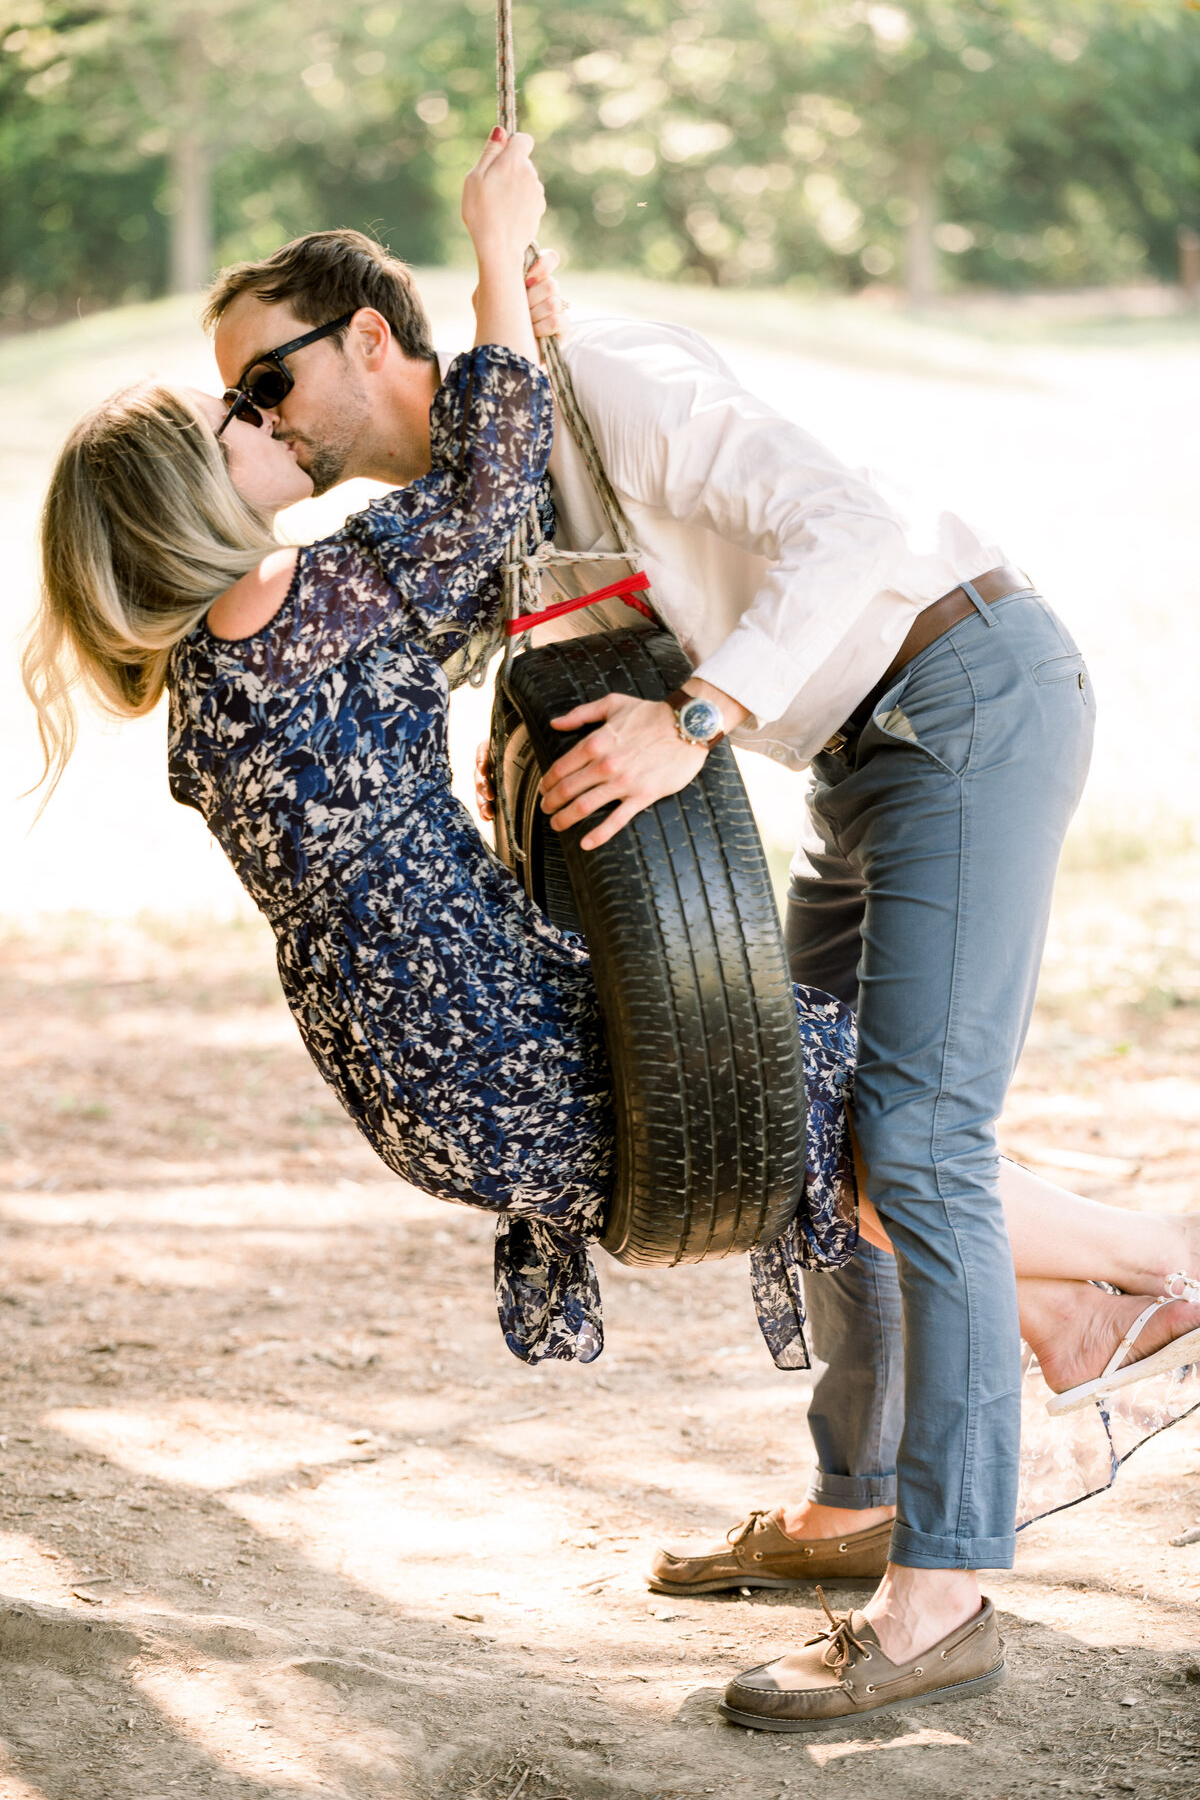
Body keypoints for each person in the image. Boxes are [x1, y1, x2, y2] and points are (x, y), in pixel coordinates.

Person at [25, 152, 1200, 1729]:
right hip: (823, 775)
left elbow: (827, 523)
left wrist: (695, 707)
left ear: (369, 342)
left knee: (895, 1141)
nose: (259, 413)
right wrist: (509, 303)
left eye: (263, 377)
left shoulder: (578, 400)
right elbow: (506, 503)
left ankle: (985, 1517)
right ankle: (904, 1466)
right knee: (830, 1127)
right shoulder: (350, 583)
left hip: (954, 692)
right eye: (227, 405)